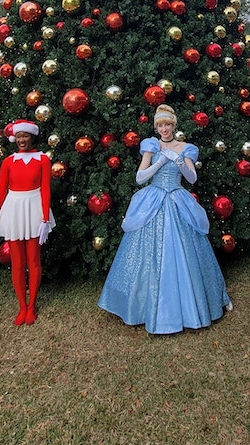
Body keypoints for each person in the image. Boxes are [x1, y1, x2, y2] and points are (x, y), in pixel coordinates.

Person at [98, 104, 231, 334]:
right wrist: (159, 162)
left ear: (174, 125)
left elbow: (192, 178)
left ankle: (195, 304)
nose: (164, 129)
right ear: (156, 126)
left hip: (178, 198)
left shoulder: (186, 148)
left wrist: (179, 161)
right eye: (160, 125)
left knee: (189, 249)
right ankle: (140, 306)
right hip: (154, 198)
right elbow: (140, 178)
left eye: (167, 124)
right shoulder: (151, 146)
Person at [0, 120, 55, 326]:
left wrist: (44, 218)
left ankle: (32, 305)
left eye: (25, 136)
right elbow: (0, 190)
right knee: (17, 262)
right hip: (13, 210)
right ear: (14, 138)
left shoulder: (42, 159)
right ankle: (22, 307)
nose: (22, 140)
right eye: (19, 136)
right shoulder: (8, 161)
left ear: (31, 137)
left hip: (34, 209)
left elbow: (45, 189)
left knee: (33, 260)